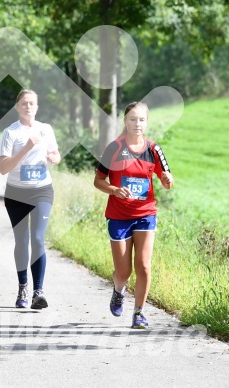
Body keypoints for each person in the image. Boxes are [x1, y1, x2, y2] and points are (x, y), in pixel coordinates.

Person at [93, 101, 174, 329]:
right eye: (132, 119)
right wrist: (114, 189)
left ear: (146, 122)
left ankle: (139, 312)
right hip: (119, 216)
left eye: (141, 120)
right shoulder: (114, 148)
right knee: (123, 271)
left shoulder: (154, 149)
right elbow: (98, 180)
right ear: (125, 121)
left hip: (145, 214)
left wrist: (167, 180)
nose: (137, 124)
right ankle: (119, 291)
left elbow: (167, 179)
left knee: (144, 266)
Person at [0, 89, 61, 310]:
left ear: (37, 107)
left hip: (42, 190)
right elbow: (3, 168)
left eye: (32, 103)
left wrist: (54, 157)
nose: (28, 107)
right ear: (17, 107)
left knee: (37, 238)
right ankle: (23, 286)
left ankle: (38, 291)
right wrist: (27, 147)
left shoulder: (46, 129)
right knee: (22, 241)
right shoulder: (11, 132)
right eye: (24, 103)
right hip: (16, 192)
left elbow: (55, 154)